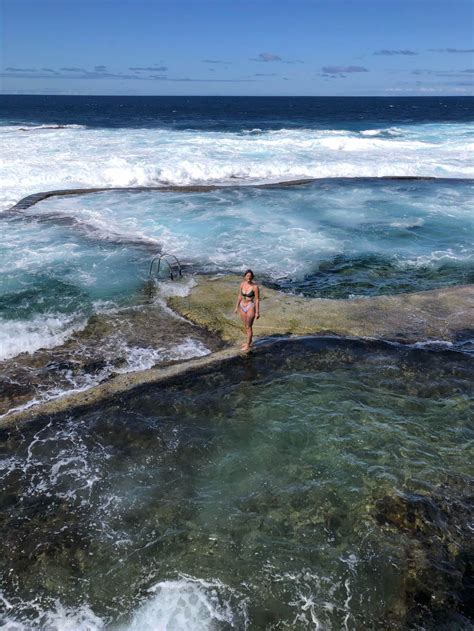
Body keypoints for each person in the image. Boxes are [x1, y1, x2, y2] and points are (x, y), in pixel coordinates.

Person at [234, 269, 260, 351]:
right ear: (245, 276)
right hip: (242, 306)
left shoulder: (255, 287)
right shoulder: (242, 284)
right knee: (246, 326)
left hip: (250, 306)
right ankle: (249, 341)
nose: (249, 277)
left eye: (251, 276)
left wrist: (257, 312)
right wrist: (236, 307)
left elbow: (257, 300)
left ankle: (248, 345)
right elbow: (239, 296)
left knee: (249, 326)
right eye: (247, 276)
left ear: (252, 277)